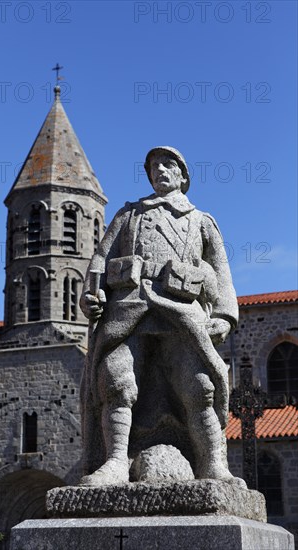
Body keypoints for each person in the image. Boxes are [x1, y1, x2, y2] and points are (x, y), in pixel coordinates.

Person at [80, 146, 238, 486]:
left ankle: (212, 465)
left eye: (168, 164)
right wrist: (91, 296)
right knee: (115, 380)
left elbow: (222, 273)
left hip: (181, 311)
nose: (160, 170)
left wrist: (224, 317)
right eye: (154, 166)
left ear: (182, 175)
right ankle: (115, 463)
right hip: (130, 307)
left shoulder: (201, 221)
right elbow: (99, 259)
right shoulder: (129, 215)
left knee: (199, 387)